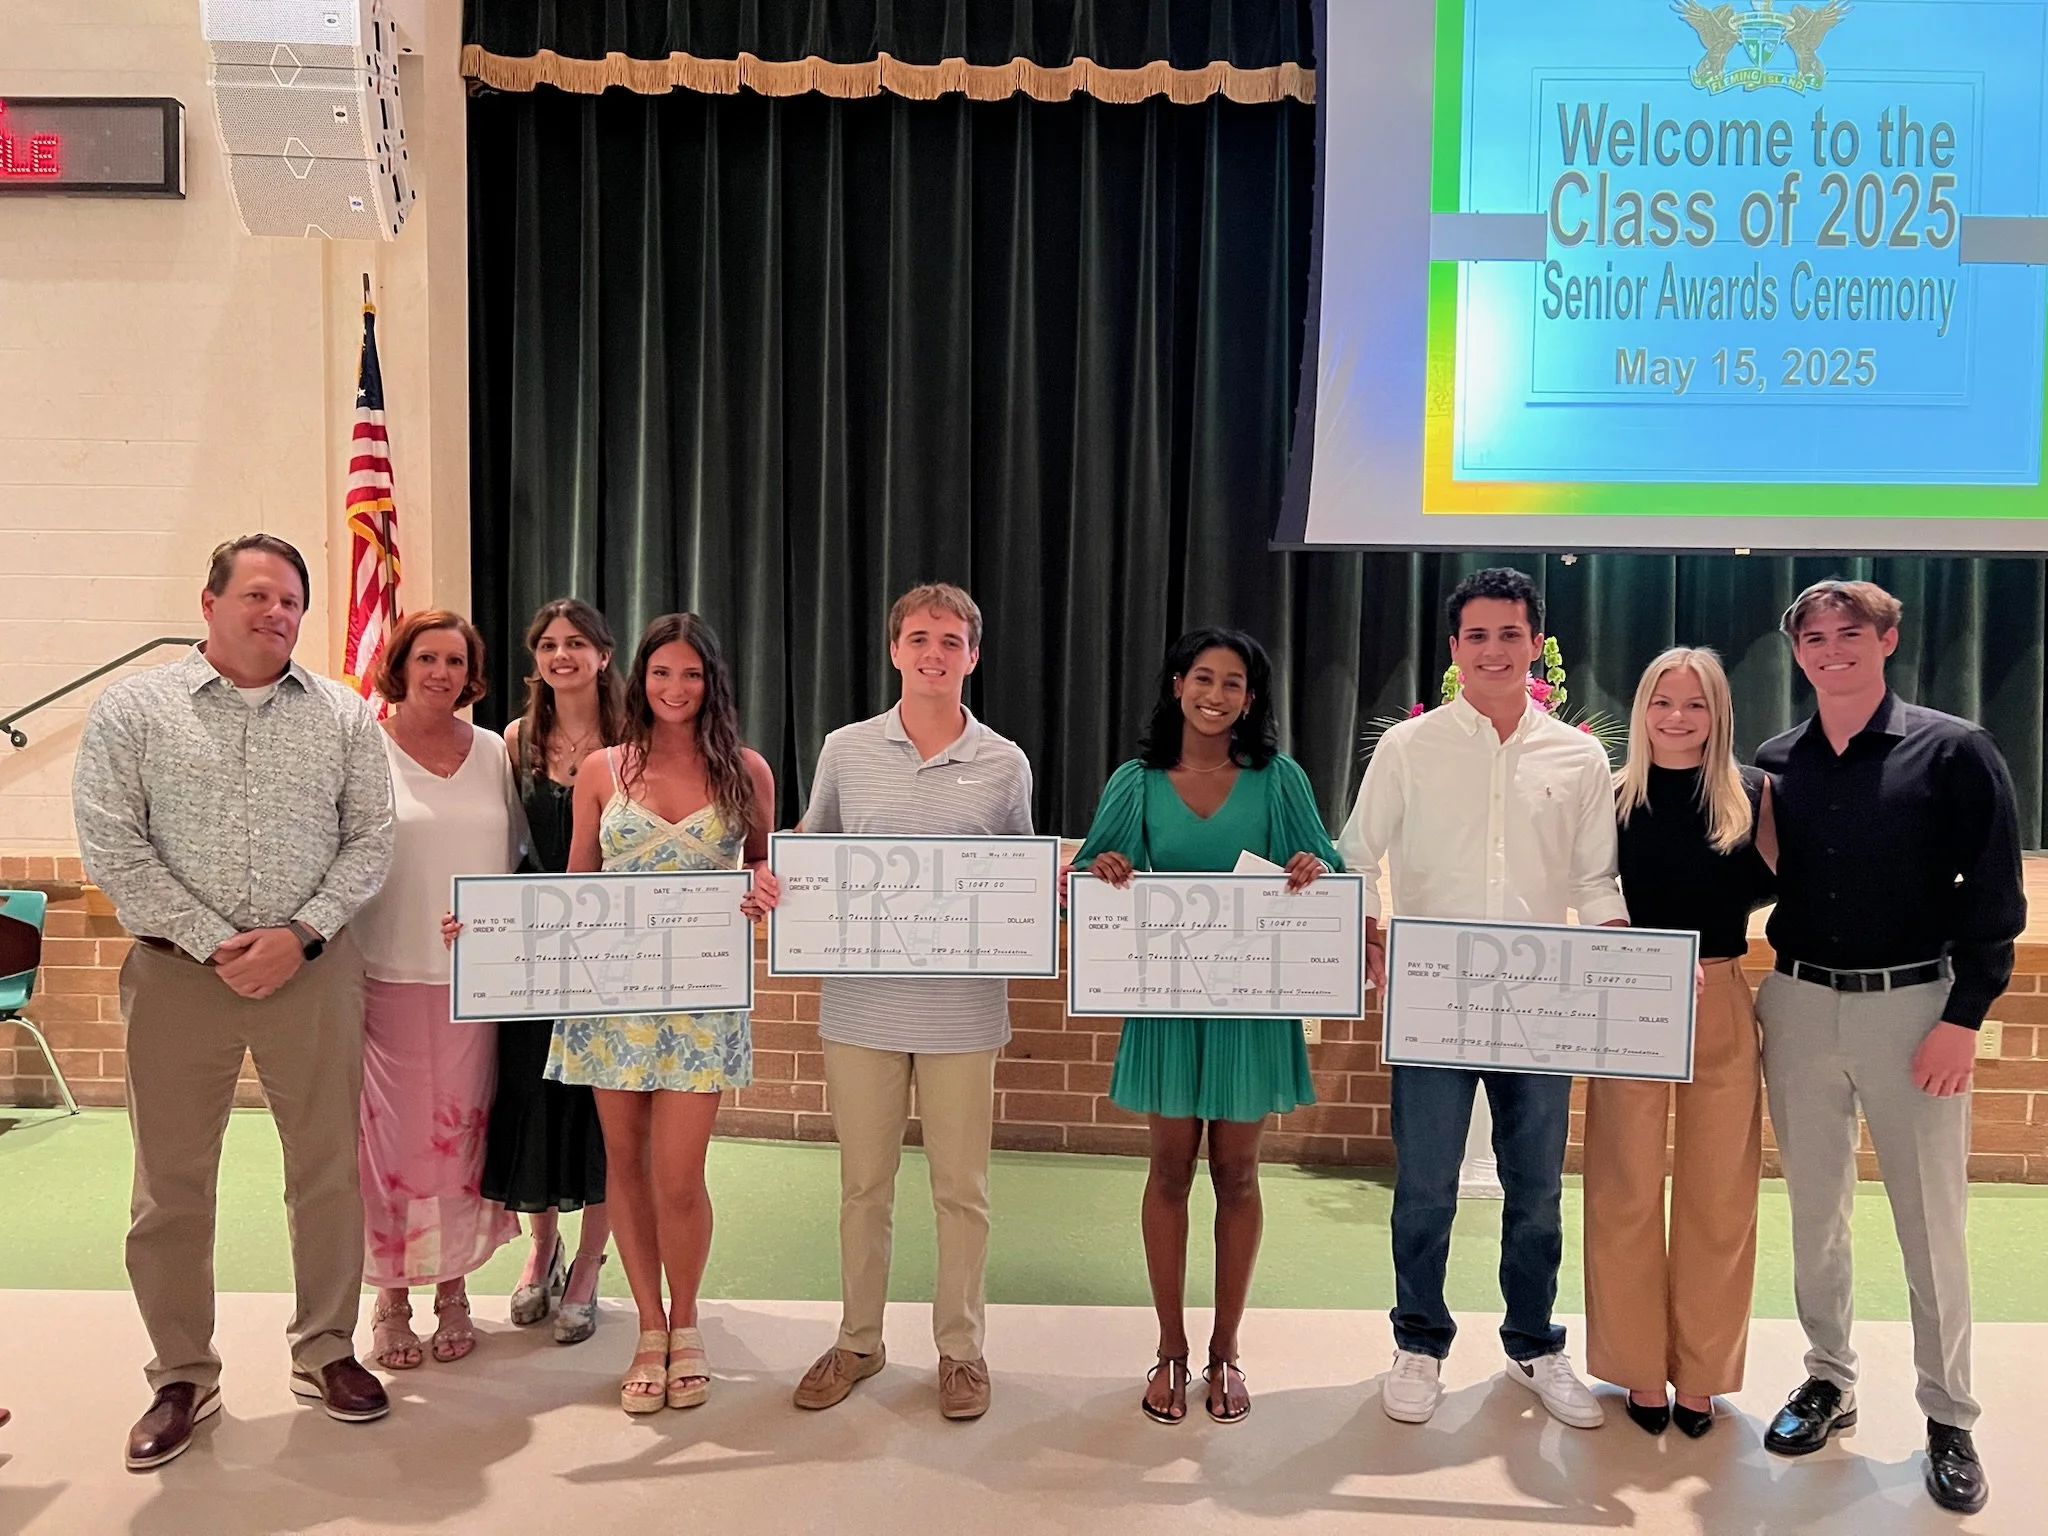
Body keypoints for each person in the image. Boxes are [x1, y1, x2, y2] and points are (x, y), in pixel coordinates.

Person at [73, 534, 396, 1469]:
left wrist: (297, 937)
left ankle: (327, 1351)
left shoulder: (341, 714)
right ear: (208, 602)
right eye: (257, 595)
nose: (277, 614)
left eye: (291, 600)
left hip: (315, 970)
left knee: (328, 1171)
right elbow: (113, 847)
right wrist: (222, 943)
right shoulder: (135, 709)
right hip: (179, 976)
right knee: (170, 1186)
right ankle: (182, 1376)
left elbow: (370, 838)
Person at [1753, 580, 2022, 1517]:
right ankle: (1829, 1378)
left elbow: (1995, 896)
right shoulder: (1776, 761)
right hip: (1794, 1003)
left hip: (1915, 1009)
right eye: (1815, 638)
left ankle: (1950, 1416)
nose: (1832, 651)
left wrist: (1965, 1016)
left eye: (1850, 634)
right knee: (1815, 1212)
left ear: (1888, 639)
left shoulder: (1952, 750)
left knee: (1930, 1221)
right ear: (1797, 652)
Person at [1337, 567, 1624, 1431]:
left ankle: (1535, 1344)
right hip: (1434, 1002)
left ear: (1536, 643)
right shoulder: (1409, 748)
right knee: (1425, 1186)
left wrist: (1621, 948)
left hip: (1541, 1008)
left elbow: (1595, 879)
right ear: (1455, 649)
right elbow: (1356, 852)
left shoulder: (1577, 756)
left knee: (1535, 1190)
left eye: (1510, 635)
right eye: (1476, 636)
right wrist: (1373, 924)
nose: (1493, 651)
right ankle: (1418, 1342)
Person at [1071, 628, 1344, 1425]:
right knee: (1167, 1173)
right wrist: (1102, 872)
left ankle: (1226, 1352)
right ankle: (1170, 1350)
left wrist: (1311, 872)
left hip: (1250, 1012)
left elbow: (1322, 870)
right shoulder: (1137, 779)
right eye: (1203, 678)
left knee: (1239, 1175)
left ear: (1250, 700)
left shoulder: (1279, 779)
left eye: (1233, 684)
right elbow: (1087, 883)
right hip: (1165, 1007)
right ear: (1178, 684)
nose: (1216, 694)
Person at [790, 583, 1034, 1423]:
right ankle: (859, 1340)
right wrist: (772, 884)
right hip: (859, 1010)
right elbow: (811, 855)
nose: (935, 653)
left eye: (952, 640)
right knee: (865, 1185)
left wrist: (1051, 892)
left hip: (964, 1014)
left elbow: (1016, 888)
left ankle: (961, 1351)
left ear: (973, 655)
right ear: (895, 649)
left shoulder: (1005, 763)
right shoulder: (845, 750)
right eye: (919, 637)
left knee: (962, 1190)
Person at [553, 614, 775, 1414]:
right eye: (660, 674)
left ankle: (689, 1323)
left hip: (700, 1009)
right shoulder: (602, 770)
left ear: (712, 682)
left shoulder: (746, 771)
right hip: (611, 1002)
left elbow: (761, 869)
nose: (675, 689)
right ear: (639, 680)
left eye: (691, 675)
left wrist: (764, 891)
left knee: (680, 1175)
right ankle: (650, 1328)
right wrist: (486, 933)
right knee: (627, 1162)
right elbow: (570, 887)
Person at [1583, 648, 1774, 1438]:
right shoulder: (1613, 795)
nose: (1677, 717)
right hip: (1631, 1001)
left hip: (1723, 995)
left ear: (1718, 712)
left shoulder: (1756, 795)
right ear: (1642, 706)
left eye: (1695, 705)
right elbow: (1588, 890)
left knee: (1718, 1197)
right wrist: (1636, 954)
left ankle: (1701, 1373)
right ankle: (1636, 1368)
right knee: (1624, 1188)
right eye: (1663, 701)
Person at [352, 611, 524, 1372]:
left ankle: (453, 1288)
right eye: (428, 657)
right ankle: (390, 1299)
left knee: (461, 1141)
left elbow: (521, 857)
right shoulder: (364, 747)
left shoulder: (494, 751)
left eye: (457, 660)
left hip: (475, 991)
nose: (442, 673)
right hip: (386, 975)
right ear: (401, 664)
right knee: (389, 1149)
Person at [483, 599, 622, 1344]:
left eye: (576, 643)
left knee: (602, 1113)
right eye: (547, 644)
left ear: (603, 654)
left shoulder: (637, 739)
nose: (561, 655)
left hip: (615, 957)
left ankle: (593, 1263)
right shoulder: (513, 741)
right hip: (533, 957)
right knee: (531, 1099)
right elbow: (502, 851)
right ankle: (542, 1249)